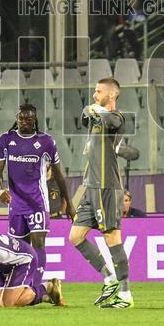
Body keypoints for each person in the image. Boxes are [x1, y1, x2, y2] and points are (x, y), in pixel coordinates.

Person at [68, 77, 133, 309]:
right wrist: (92, 109)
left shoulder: (117, 117)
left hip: (107, 185)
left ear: (112, 95)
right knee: (75, 236)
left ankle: (125, 294)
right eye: (94, 91)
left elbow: (108, 119)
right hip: (91, 186)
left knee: (111, 237)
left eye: (99, 91)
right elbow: (85, 115)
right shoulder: (96, 117)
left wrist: (97, 110)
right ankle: (110, 279)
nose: (95, 94)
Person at [0, 103, 74, 275]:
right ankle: (19, 284)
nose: (24, 122)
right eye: (21, 118)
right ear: (17, 119)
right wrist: (0, 189)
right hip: (16, 204)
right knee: (17, 248)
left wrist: (70, 203)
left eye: (28, 119)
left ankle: (35, 285)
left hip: (37, 202)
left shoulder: (46, 142)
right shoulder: (5, 140)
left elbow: (59, 175)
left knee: (38, 244)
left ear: (34, 119)